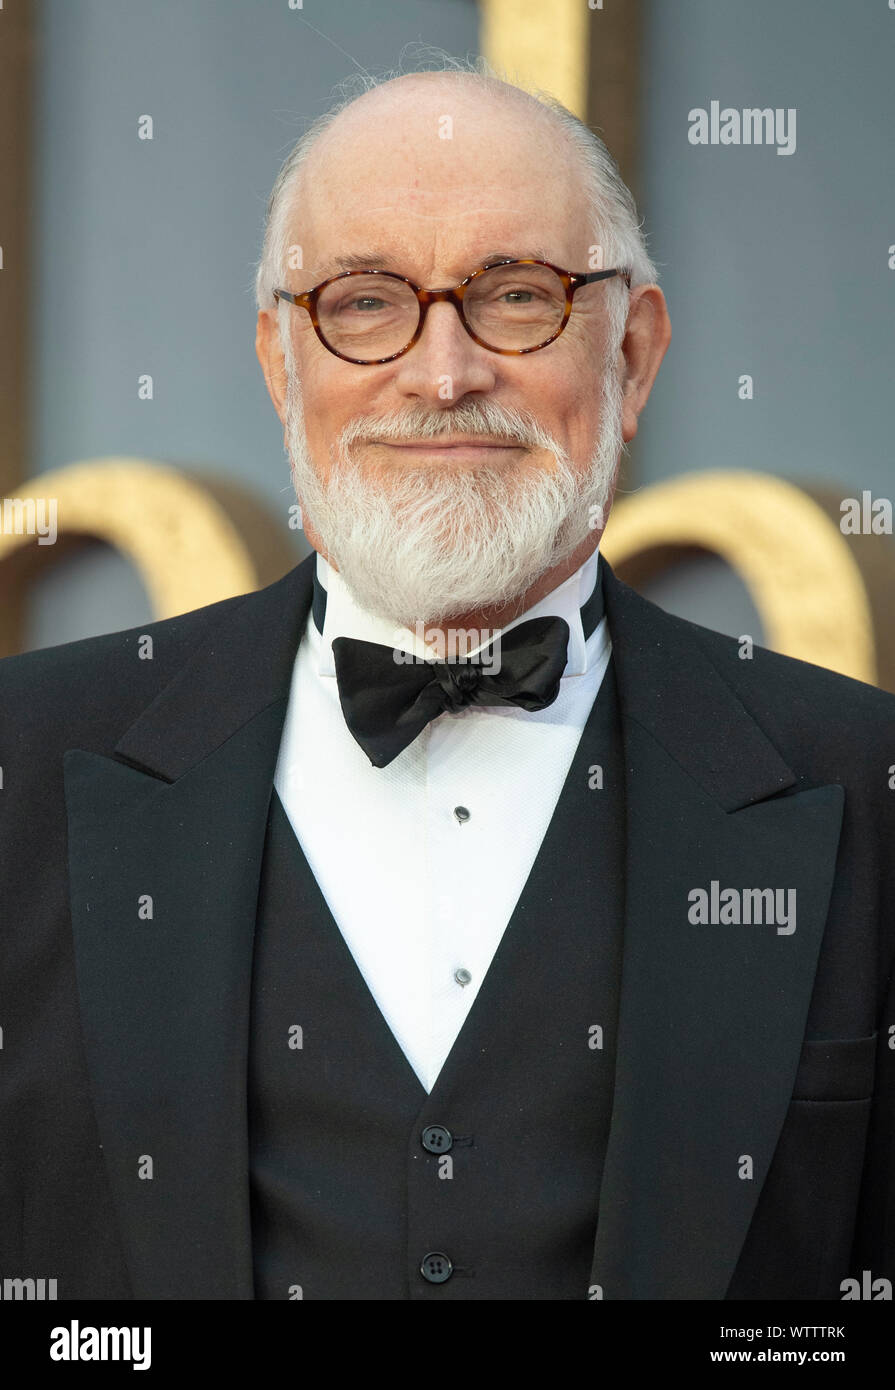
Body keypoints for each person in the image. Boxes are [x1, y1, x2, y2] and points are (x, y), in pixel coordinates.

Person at [1, 60, 893, 1302]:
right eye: (364, 303)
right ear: (278, 363)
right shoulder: (23, 767)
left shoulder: (864, 785)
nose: (440, 372)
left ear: (630, 357)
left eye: (515, 295)